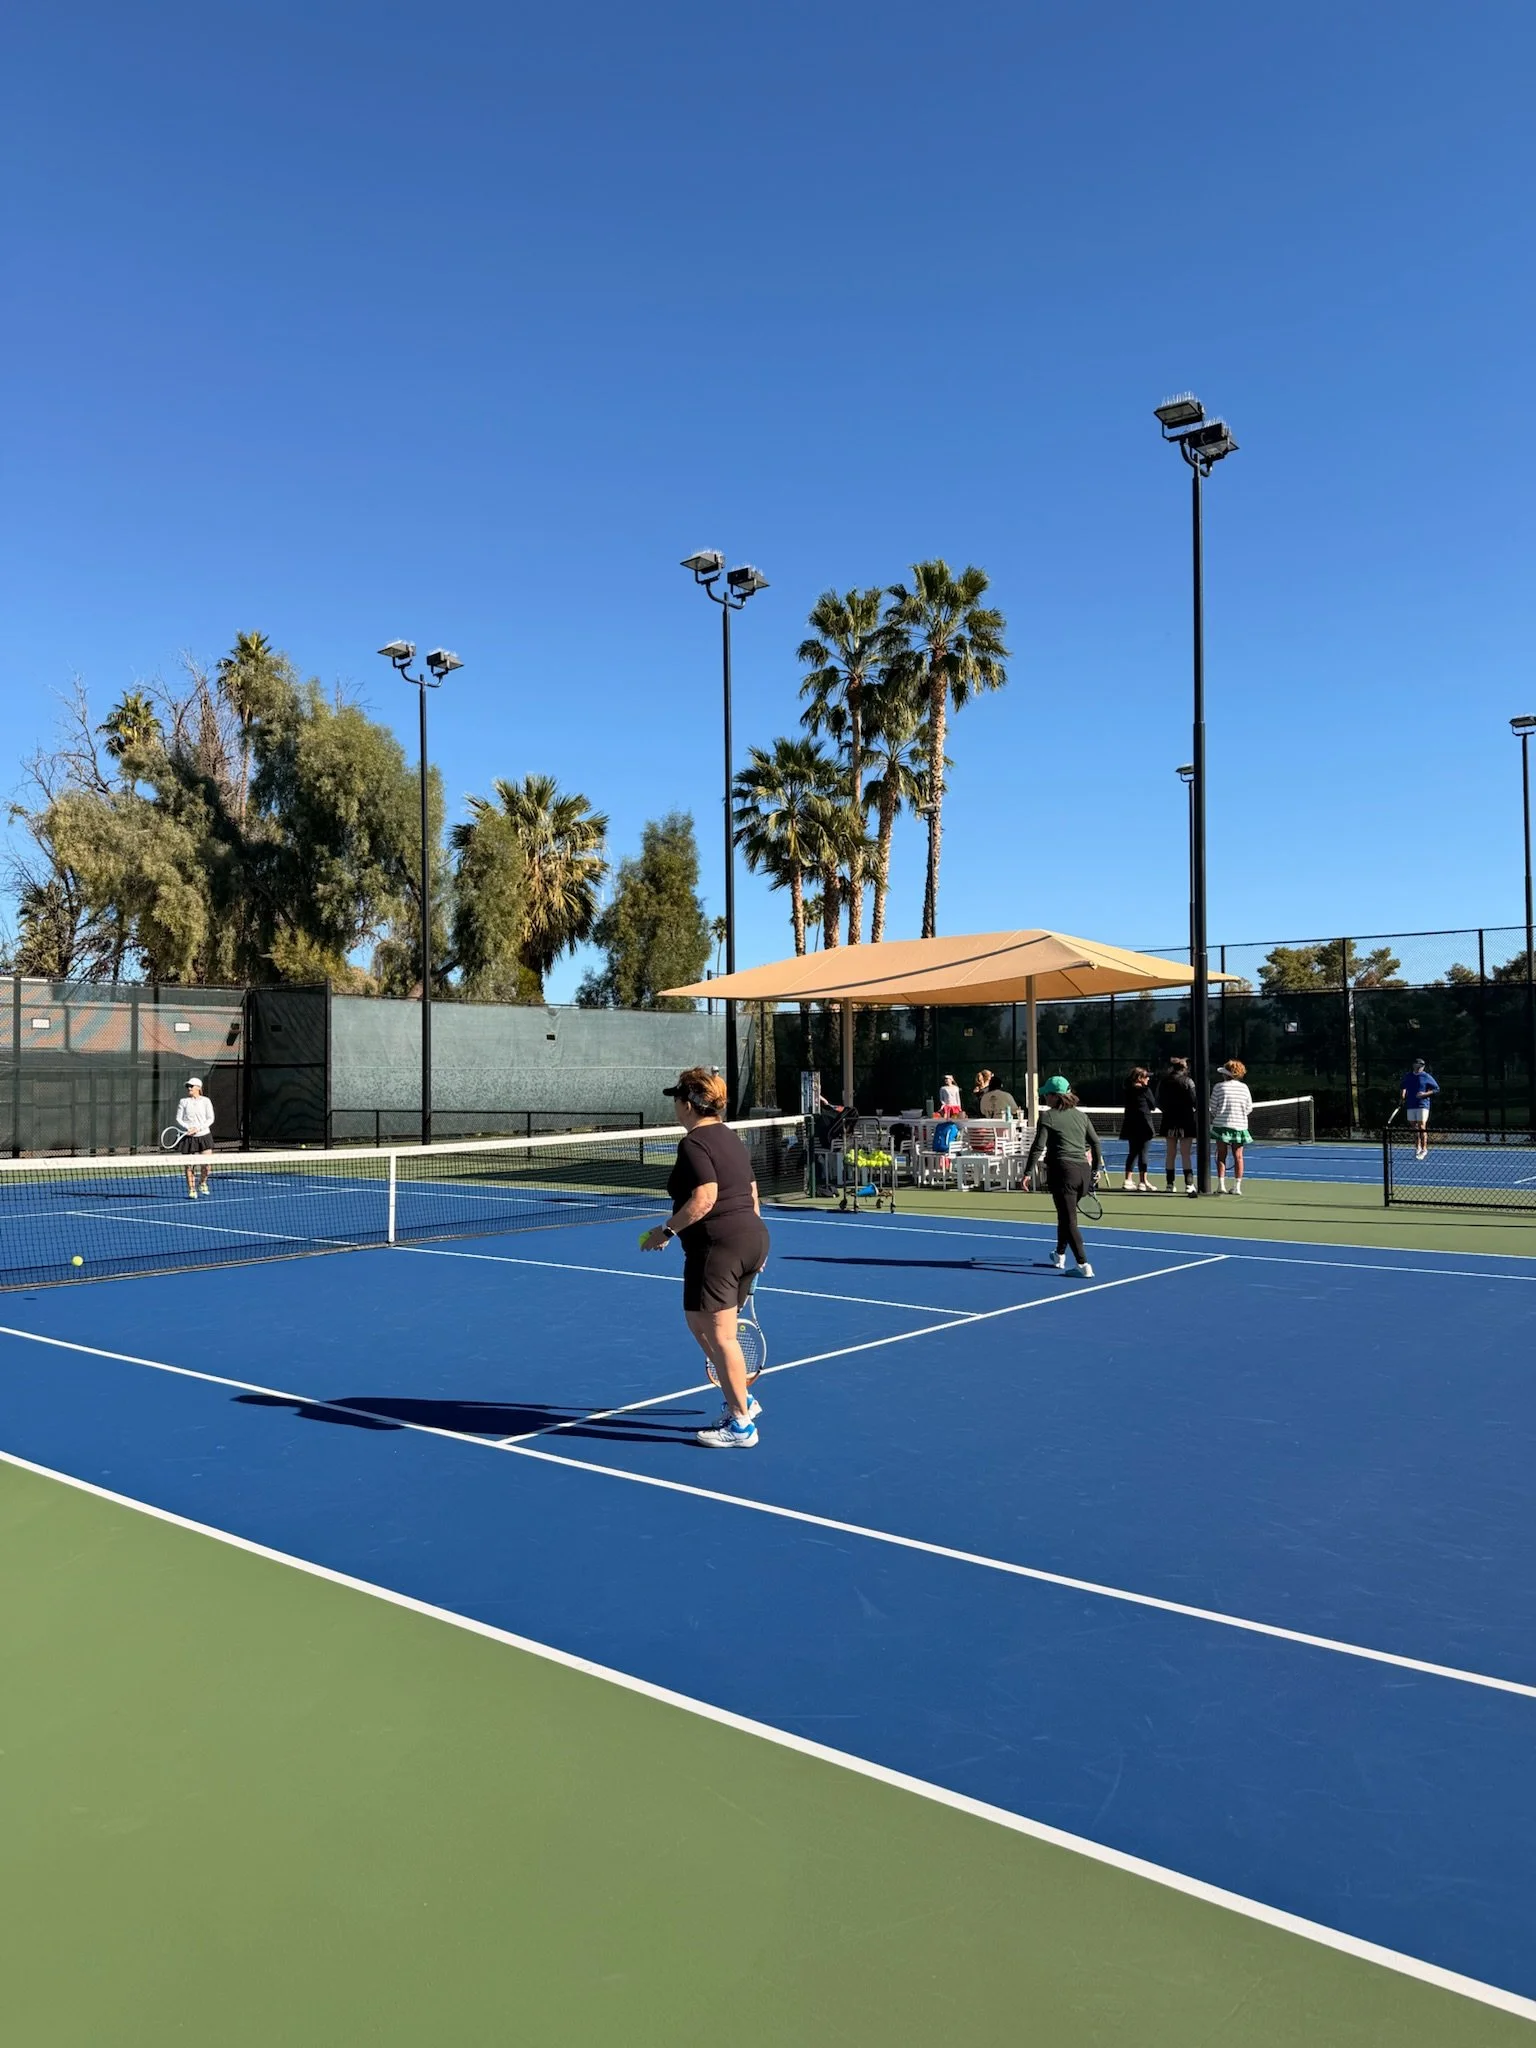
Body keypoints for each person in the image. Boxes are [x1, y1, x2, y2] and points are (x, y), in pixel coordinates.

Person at [640, 1067, 771, 1449]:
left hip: (719, 1246)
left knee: (722, 1335)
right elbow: (751, 1190)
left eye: (677, 1100)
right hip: (748, 1240)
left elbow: (706, 1197)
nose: (675, 1107)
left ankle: (742, 1425)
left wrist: (665, 1231)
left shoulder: (694, 1144)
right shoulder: (730, 1137)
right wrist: (753, 1244)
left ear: (688, 1104)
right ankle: (741, 1398)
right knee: (697, 1320)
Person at [1025, 1075, 1104, 1278]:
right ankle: (1059, 1255)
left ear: (1054, 1097)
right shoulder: (1081, 1116)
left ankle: (1083, 1265)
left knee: (1069, 1220)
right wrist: (1096, 1170)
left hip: (1063, 1173)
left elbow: (1038, 1147)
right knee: (1065, 1215)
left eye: (1047, 1096)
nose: (1045, 1100)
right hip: (1083, 1174)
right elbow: (1095, 1143)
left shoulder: (1048, 1116)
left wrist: (1026, 1172)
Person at [1209, 1059, 1254, 1194]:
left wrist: (1220, 1115)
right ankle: (1237, 1187)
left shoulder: (1218, 1087)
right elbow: (1248, 1108)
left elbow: (1213, 1107)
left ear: (1226, 1074)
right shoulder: (1244, 1088)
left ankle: (1220, 1186)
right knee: (1238, 1156)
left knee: (1221, 1154)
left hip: (1221, 1125)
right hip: (1240, 1126)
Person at [1157, 1055, 1198, 1197]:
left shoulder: (1164, 1082)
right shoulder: (1188, 1082)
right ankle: (1189, 1184)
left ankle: (1170, 1184)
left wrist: (1168, 1111)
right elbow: (1195, 1101)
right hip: (1186, 1120)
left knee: (1170, 1153)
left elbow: (1159, 1102)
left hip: (1169, 1120)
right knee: (1186, 1154)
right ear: (1184, 1068)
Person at [1119, 1066, 1159, 1193]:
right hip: (1144, 1125)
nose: (1148, 1079)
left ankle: (1128, 1180)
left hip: (1131, 1125)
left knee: (1133, 1152)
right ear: (1140, 1078)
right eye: (1146, 1077)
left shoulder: (1127, 1090)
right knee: (1143, 1153)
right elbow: (1153, 1106)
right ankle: (1143, 1182)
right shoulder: (1145, 1090)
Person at [176, 1075, 215, 1198]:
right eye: (188, 1086)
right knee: (189, 1166)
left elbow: (210, 1118)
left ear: (198, 1087)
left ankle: (202, 1182)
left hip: (204, 1135)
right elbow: (178, 1118)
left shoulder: (206, 1101)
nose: (189, 1088)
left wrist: (198, 1129)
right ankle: (192, 1189)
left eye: (191, 1086)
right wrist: (188, 1128)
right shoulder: (183, 1102)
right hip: (189, 1138)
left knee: (207, 1165)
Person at [1400, 1058, 1440, 1160]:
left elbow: (1436, 1089)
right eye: (1418, 1065)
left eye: (1422, 1065)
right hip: (1411, 1105)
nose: (1420, 1067)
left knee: (1422, 1126)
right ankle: (1417, 1148)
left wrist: (1425, 1094)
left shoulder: (1426, 1076)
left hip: (1423, 1105)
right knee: (1414, 1128)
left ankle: (1424, 1149)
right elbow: (1403, 1086)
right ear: (1414, 1065)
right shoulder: (1408, 1076)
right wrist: (1403, 1095)